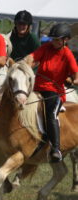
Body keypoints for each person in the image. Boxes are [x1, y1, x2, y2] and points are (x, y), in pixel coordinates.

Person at [26, 23, 78, 162]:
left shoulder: (67, 54)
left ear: (65, 40)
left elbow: (76, 77)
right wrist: (25, 64)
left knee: (50, 113)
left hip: (55, 93)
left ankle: (56, 149)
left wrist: (71, 80)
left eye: (57, 39)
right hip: (37, 88)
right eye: (52, 39)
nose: (53, 42)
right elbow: (32, 58)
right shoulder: (46, 47)